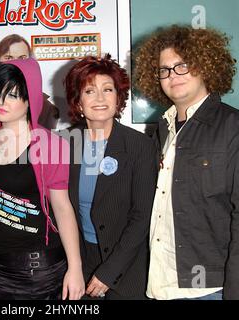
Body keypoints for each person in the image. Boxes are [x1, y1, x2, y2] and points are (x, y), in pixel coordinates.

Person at [133, 25, 239, 300]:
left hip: (212, 289)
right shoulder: (163, 130)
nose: (173, 75)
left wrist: (238, 293)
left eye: (182, 65)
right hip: (162, 285)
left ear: (205, 65)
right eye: (165, 69)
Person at [0, 57, 85, 300]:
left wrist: (75, 268)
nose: (1, 102)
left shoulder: (50, 146)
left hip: (39, 270)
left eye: (13, 95)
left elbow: (62, 207)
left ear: (30, 101)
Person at [63, 54, 158, 299]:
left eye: (108, 89)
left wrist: (109, 272)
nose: (100, 98)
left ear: (118, 97)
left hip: (128, 265)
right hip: (80, 261)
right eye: (89, 91)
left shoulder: (139, 146)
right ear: (78, 101)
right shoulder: (65, 144)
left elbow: (142, 216)